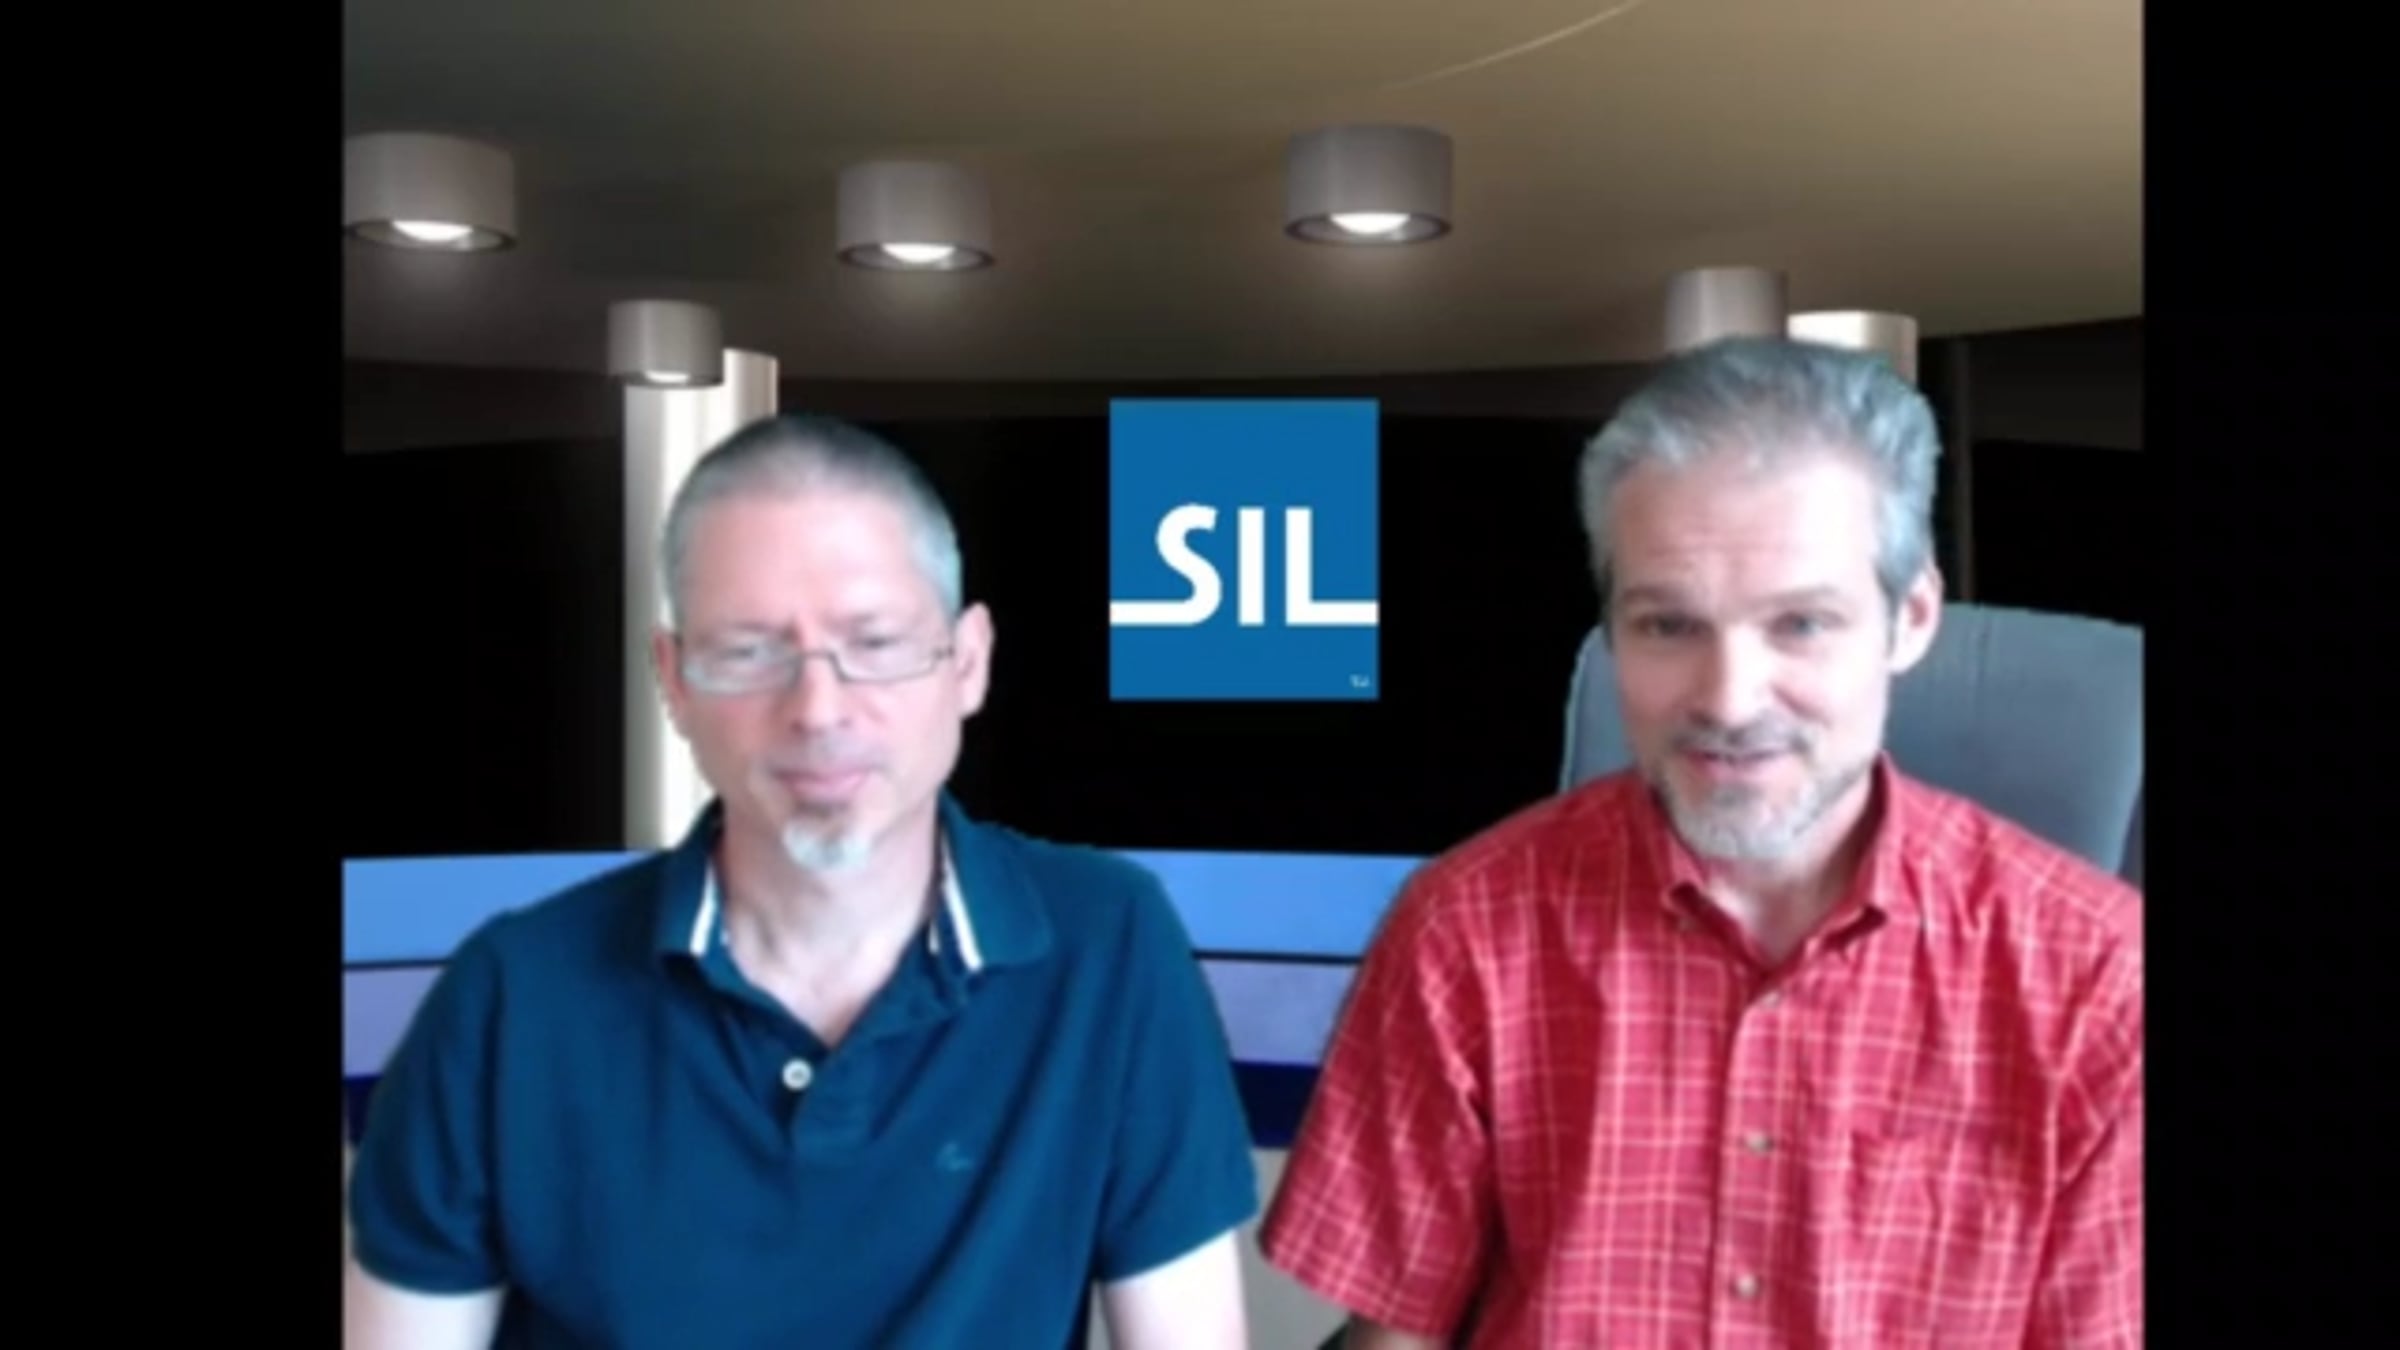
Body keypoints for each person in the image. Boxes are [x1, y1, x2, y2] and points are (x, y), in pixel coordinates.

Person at [1257, 337, 2142, 1347]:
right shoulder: (1465, 928)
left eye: (1800, 624)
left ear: (1910, 619)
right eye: (1669, 626)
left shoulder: (2102, 979)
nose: (1727, 699)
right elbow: (1397, 1333)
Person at [345, 414, 1259, 1349]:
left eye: (876, 642)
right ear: (674, 679)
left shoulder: (1109, 945)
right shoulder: (511, 996)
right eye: (751, 652)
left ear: (968, 663)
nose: (819, 710)